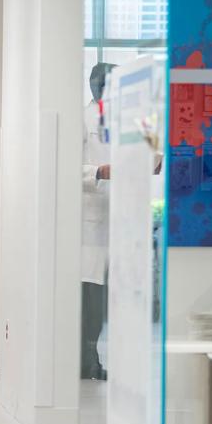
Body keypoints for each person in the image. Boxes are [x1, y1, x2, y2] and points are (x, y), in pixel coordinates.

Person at [80, 62, 115, 380]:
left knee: (109, 300)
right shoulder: (83, 117)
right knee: (91, 300)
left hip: (120, 217)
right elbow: (68, 166)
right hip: (91, 220)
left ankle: (96, 358)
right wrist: (97, 172)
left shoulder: (128, 119)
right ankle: (88, 359)